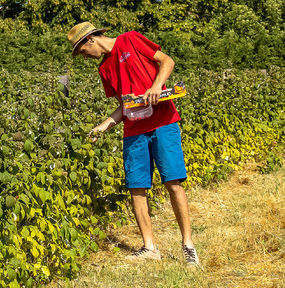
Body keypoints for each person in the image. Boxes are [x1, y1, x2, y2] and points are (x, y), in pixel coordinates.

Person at [68, 21, 199, 266]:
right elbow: (125, 106)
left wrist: (156, 85)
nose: (85, 57)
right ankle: (149, 247)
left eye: (83, 51)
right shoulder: (104, 70)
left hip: (163, 123)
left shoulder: (131, 39)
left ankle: (188, 245)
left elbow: (167, 60)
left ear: (91, 40)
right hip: (134, 131)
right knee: (137, 188)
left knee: (173, 183)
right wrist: (104, 125)